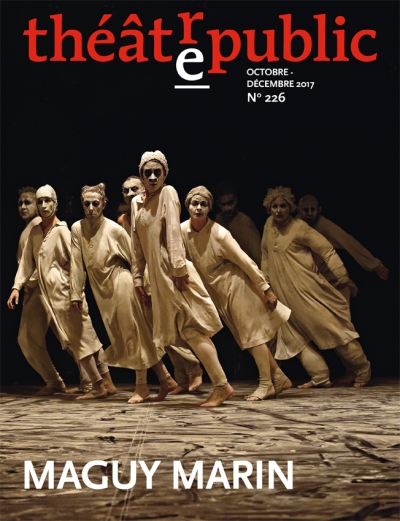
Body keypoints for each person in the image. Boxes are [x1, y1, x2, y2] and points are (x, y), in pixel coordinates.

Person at [131, 150, 234, 407]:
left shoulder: (168, 193)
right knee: (182, 332)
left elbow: (174, 233)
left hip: (173, 273)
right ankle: (213, 383)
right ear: (141, 175)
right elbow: (137, 245)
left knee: (191, 328)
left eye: (157, 172)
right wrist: (137, 278)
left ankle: (221, 386)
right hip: (156, 276)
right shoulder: (137, 203)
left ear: (165, 174)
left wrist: (178, 270)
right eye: (147, 173)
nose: (152, 177)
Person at [181, 186, 292, 400]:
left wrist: (266, 288)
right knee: (248, 339)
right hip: (220, 294)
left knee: (253, 337)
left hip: (238, 286)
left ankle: (266, 384)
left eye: (204, 204)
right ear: (188, 206)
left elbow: (246, 261)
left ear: (210, 208)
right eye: (195, 203)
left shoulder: (220, 234)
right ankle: (279, 376)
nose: (199, 208)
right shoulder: (182, 231)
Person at [70, 183, 178, 404]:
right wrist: (75, 293)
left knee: (133, 335)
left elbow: (136, 258)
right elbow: (76, 264)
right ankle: (166, 379)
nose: (91, 208)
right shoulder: (77, 229)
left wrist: (144, 287)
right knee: (131, 336)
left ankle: (142, 386)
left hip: (121, 283)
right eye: (86, 204)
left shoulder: (114, 230)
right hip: (102, 291)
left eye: (95, 204)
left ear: (104, 204)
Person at [7, 185, 116, 400]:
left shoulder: (62, 231)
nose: (43, 205)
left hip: (67, 293)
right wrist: (16, 287)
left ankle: (98, 385)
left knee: (82, 339)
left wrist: (76, 293)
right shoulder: (36, 232)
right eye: (40, 201)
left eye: (47, 201)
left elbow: (76, 264)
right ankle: (105, 383)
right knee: (83, 338)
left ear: (55, 203)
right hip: (52, 295)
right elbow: (27, 263)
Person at [261, 186, 371, 389]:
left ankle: (362, 368)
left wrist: (342, 276)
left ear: (291, 207)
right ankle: (319, 376)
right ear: (269, 208)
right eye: (275, 206)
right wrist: (265, 286)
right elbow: (266, 256)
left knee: (332, 328)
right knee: (294, 337)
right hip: (283, 293)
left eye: (283, 206)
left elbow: (327, 250)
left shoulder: (300, 227)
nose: (279, 210)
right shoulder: (269, 225)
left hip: (307, 291)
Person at [117, 177, 204, 395]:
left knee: (173, 322)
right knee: (158, 331)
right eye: (126, 190)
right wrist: (136, 278)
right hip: (141, 274)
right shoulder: (123, 219)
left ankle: (194, 368)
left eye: (134, 189)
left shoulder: (154, 207)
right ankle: (180, 378)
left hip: (161, 269)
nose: (130, 193)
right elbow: (133, 250)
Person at [297, 194, 389, 305]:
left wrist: (373, 265)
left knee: (342, 303)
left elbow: (349, 242)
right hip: (304, 281)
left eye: (313, 209)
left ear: (319, 210)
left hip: (329, 278)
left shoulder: (323, 225)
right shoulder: (293, 226)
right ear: (298, 210)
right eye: (306, 210)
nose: (309, 213)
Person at [214, 181, 261, 266]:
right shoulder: (218, 219)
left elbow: (258, 255)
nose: (227, 208)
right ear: (218, 204)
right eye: (223, 204)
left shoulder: (243, 221)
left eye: (230, 203)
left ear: (235, 201)